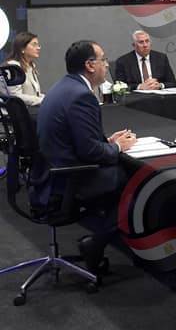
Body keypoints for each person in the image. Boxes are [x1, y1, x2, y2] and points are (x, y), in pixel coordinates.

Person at [37, 40, 138, 273]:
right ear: (90, 65)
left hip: (51, 173)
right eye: (103, 59)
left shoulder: (63, 87)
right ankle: (96, 244)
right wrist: (118, 148)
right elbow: (90, 152)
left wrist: (108, 141)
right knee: (135, 183)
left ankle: (98, 241)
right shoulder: (82, 95)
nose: (107, 65)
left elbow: (80, 140)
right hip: (69, 179)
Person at [5, 32, 45, 106]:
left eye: (38, 45)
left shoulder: (31, 66)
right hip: (16, 111)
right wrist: (42, 100)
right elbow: (16, 96)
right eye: (34, 45)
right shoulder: (13, 67)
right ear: (22, 48)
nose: (38, 48)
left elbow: (35, 94)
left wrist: (48, 98)